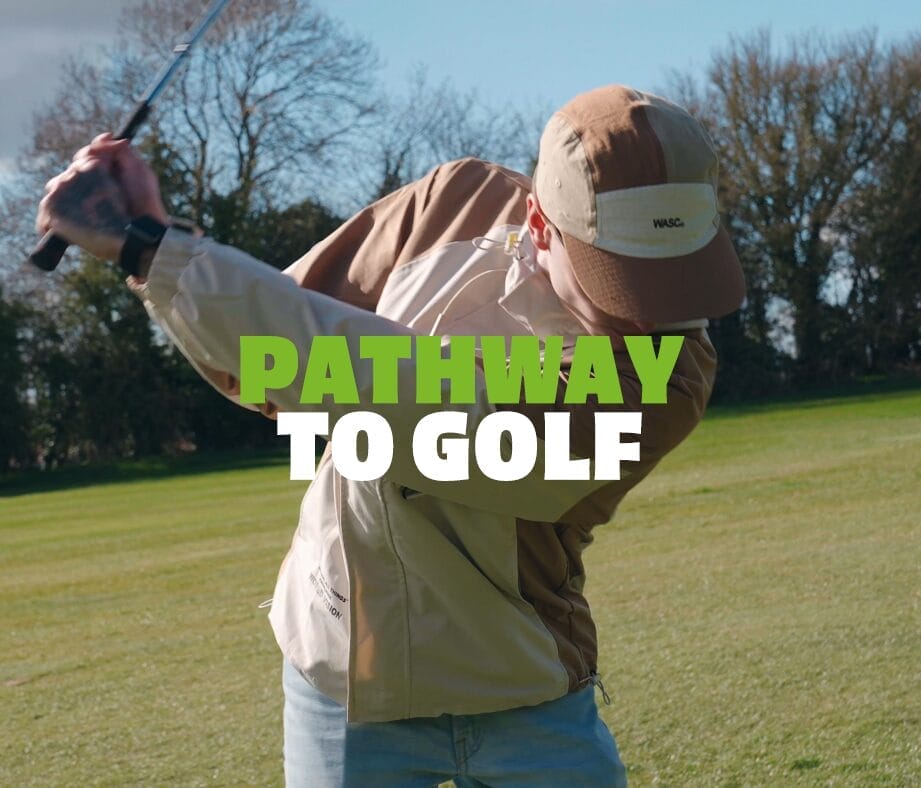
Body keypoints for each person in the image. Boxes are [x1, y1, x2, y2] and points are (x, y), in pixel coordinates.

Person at [36, 84, 745, 786]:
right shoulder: (453, 202)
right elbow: (263, 363)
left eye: (678, 273)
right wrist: (159, 237)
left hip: (526, 696)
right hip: (342, 683)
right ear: (539, 222)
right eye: (621, 278)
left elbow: (427, 418)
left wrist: (152, 250)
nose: (652, 314)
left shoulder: (672, 374)